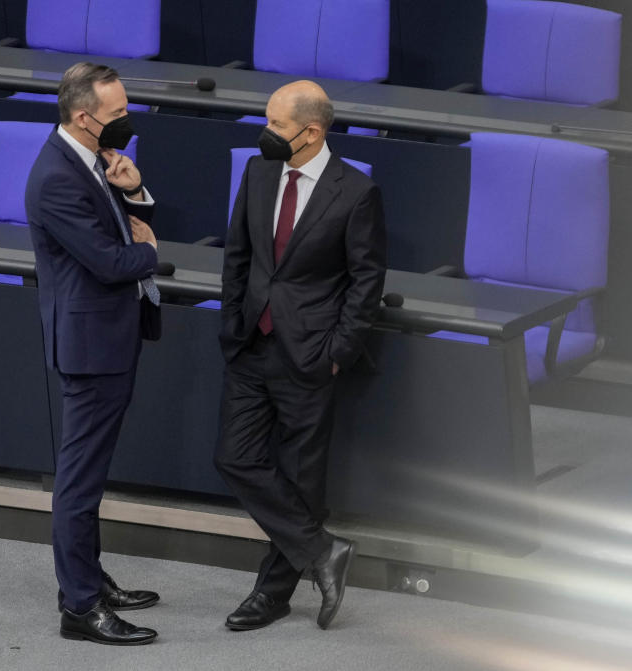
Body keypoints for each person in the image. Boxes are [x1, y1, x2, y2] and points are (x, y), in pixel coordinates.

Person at [214, 80, 387, 631]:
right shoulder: (258, 171)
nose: (265, 134)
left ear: (310, 132)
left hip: (311, 354)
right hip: (251, 344)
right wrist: (231, 323)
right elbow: (238, 255)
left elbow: (366, 282)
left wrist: (338, 351)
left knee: (302, 478)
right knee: (234, 457)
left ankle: (272, 593)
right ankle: (323, 549)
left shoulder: (356, 192)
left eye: (275, 125)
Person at [24, 62, 162, 646]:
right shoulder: (56, 177)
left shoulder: (88, 161)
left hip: (109, 337)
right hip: (90, 348)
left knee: (90, 475)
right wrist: (151, 250)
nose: (126, 121)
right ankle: (79, 606)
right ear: (84, 118)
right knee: (78, 482)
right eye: (118, 114)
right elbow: (110, 261)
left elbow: (119, 226)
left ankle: (90, 579)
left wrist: (132, 192)